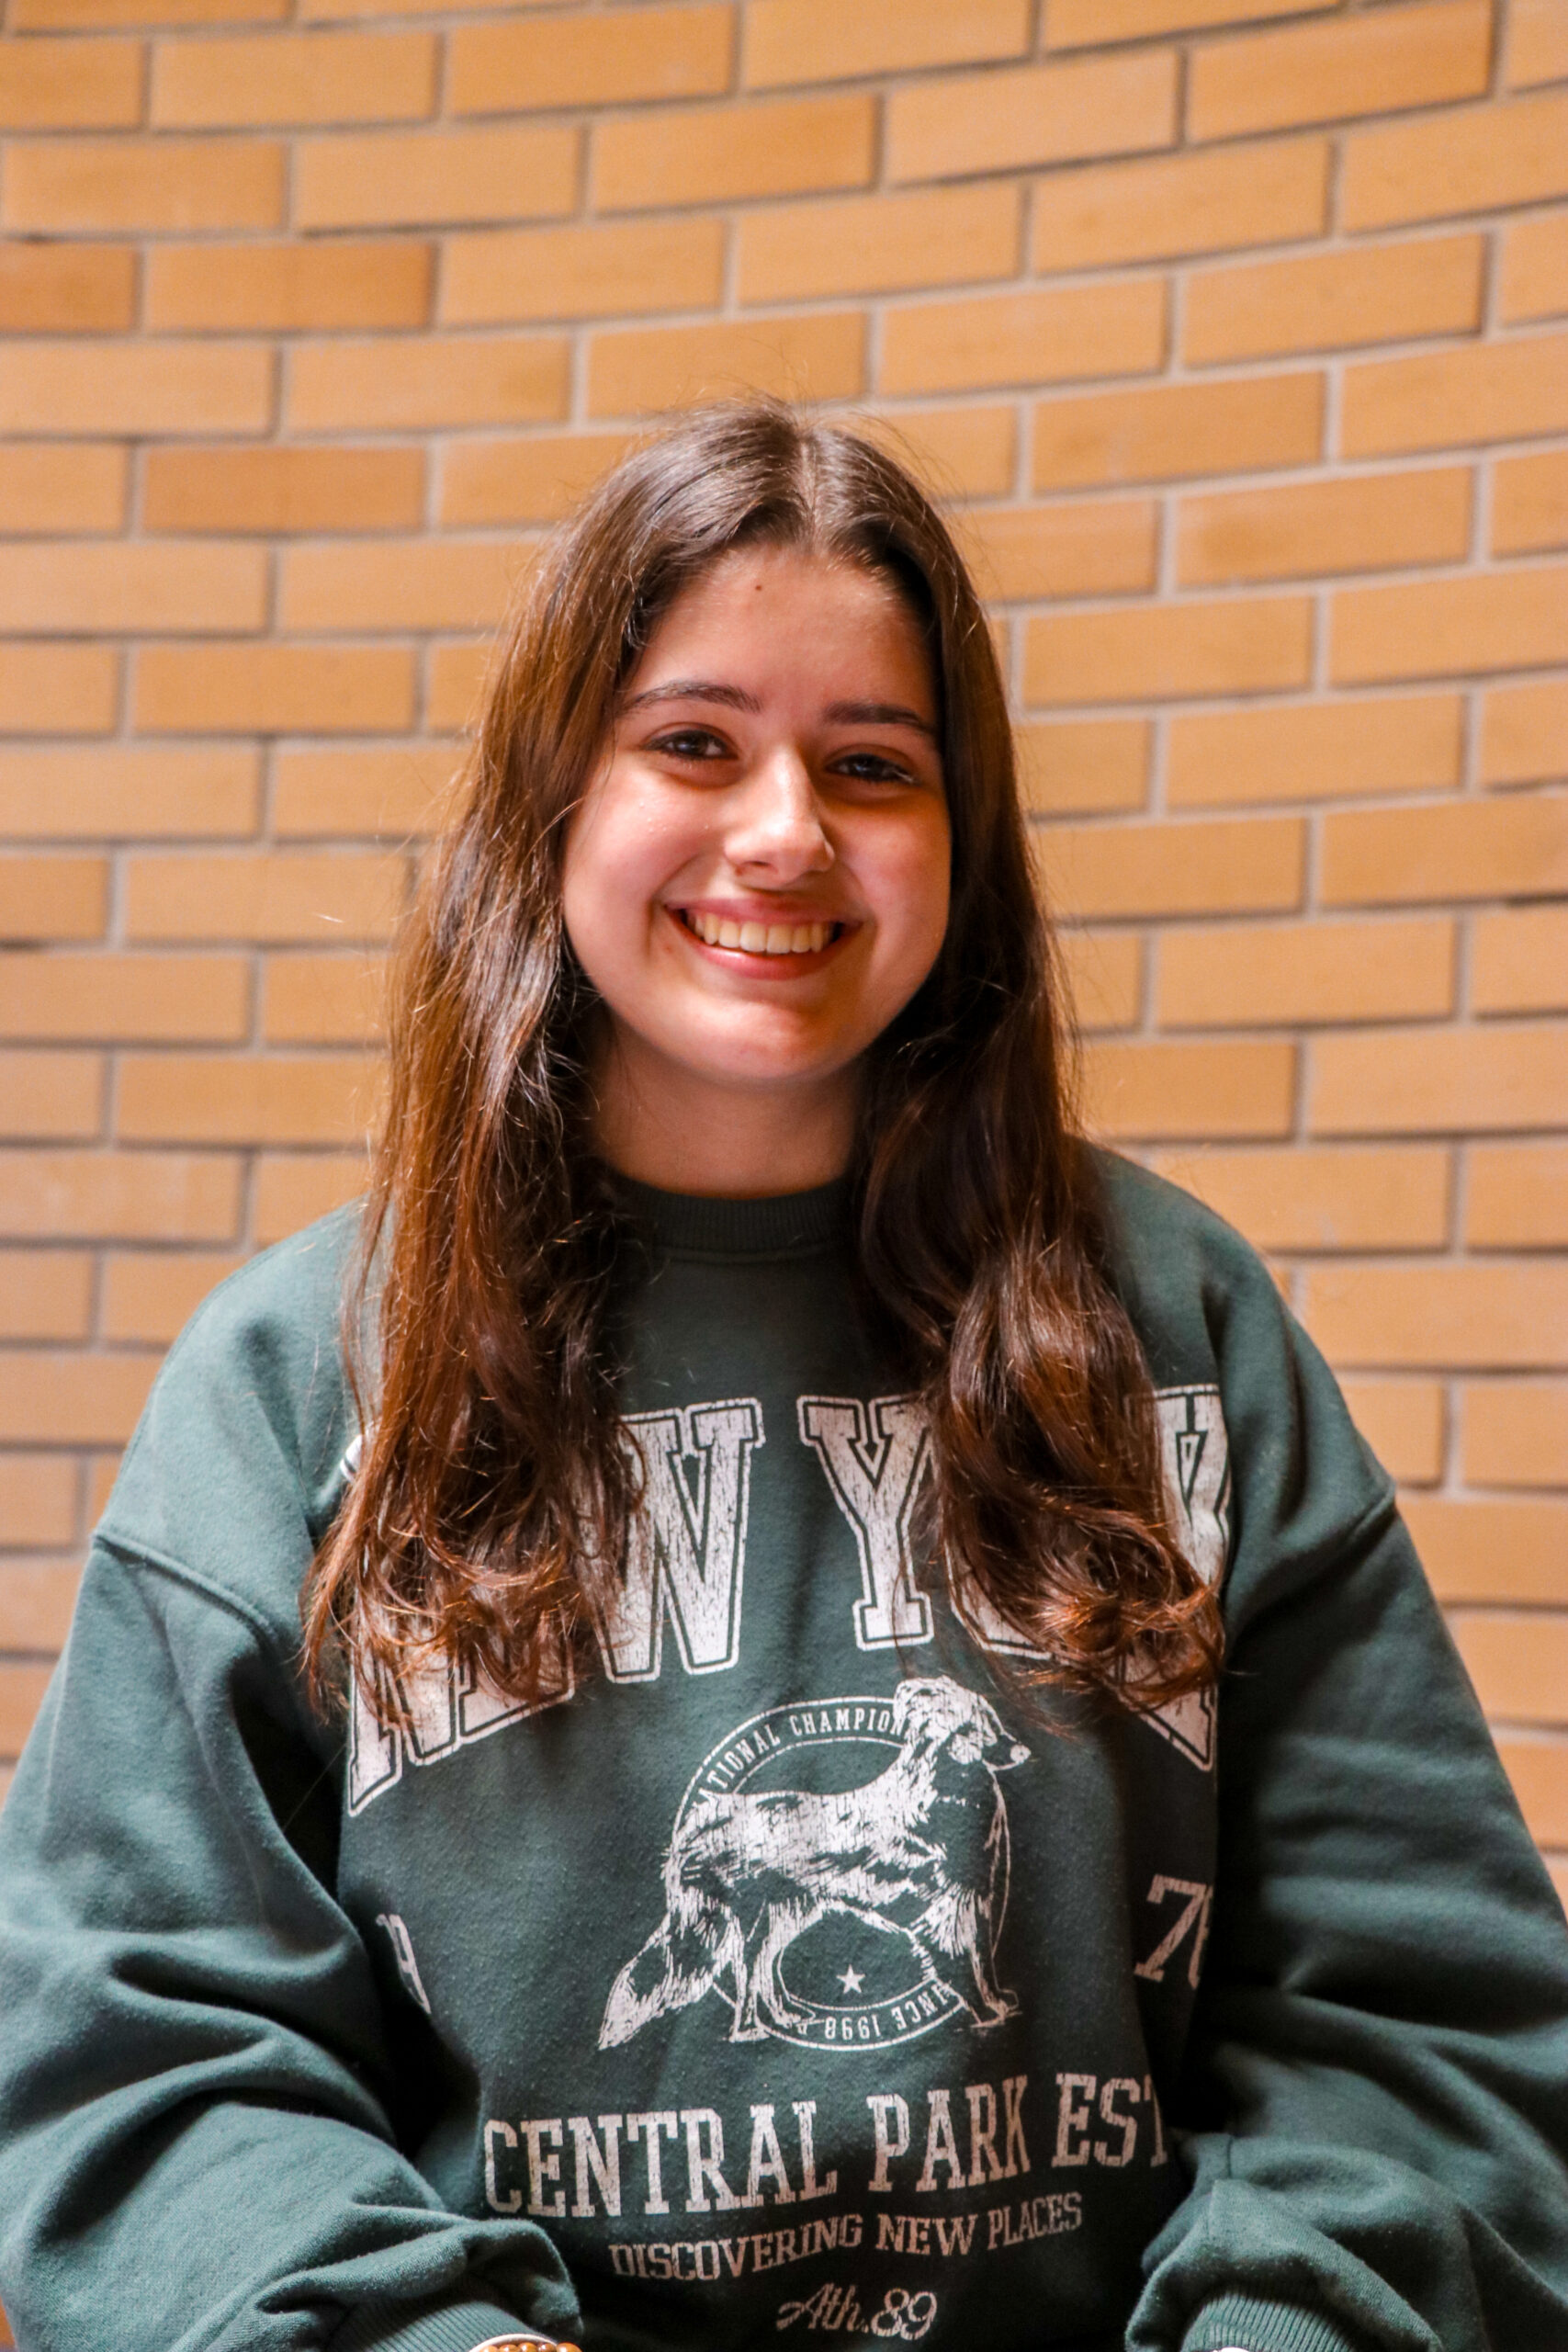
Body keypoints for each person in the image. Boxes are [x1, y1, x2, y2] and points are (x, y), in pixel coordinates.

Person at [0, 402, 1564, 2352]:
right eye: (693, 741)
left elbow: (1415, 2025)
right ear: (554, 796)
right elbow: (140, 2052)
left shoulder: (1176, 1331)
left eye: (870, 763)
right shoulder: (298, 1388)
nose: (783, 831)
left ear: (960, 843)